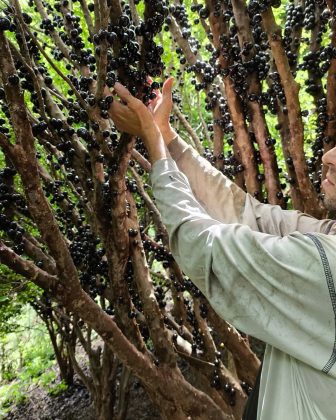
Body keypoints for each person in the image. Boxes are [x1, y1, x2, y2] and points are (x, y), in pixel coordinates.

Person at [110, 79, 336, 420]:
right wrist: (167, 137)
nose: (328, 156)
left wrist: (153, 143)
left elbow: (205, 248)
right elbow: (251, 216)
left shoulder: (328, 265)